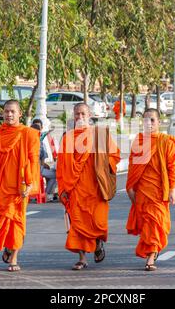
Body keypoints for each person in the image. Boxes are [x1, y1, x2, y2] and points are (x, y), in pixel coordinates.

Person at [0, 100, 40, 272]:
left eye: (12, 111)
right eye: (6, 111)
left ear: (20, 113)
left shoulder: (29, 134)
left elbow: (33, 160)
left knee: (16, 221)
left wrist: (30, 182)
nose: (9, 115)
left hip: (18, 188)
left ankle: (14, 258)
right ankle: (8, 246)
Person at [57, 103, 120, 270]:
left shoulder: (99, 135)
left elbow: (114, 155)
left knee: (98, 222)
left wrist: (104, 167)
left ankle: (98, 241)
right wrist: (62, 188)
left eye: (83, 114)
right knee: (77, 223)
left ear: (90, 115)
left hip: (96, 188)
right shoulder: (68, 138)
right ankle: (82, 258)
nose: (80, 118)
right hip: (76, 188)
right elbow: (62, 166)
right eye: (77, 114)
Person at [125, 109, 175, 271]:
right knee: (147, 224)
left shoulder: (166, 141)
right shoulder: (139, 141)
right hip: (142, 190)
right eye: (145, 120)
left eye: (152, 120)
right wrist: (129, 187)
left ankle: (151, 255)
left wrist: (173, 189)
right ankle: (152, 250)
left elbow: (174, 167)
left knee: (156, 223)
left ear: (158, 122)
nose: (148, 123)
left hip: (159, 191)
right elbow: (133, 166)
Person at [31, 118, 58, 202]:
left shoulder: (27, 140)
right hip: (36, 169)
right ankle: (47, 194)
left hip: (30, 168)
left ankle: (46, 194)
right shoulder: (38, 141)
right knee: (55, 175)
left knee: (49, 171)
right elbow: (42, 155)